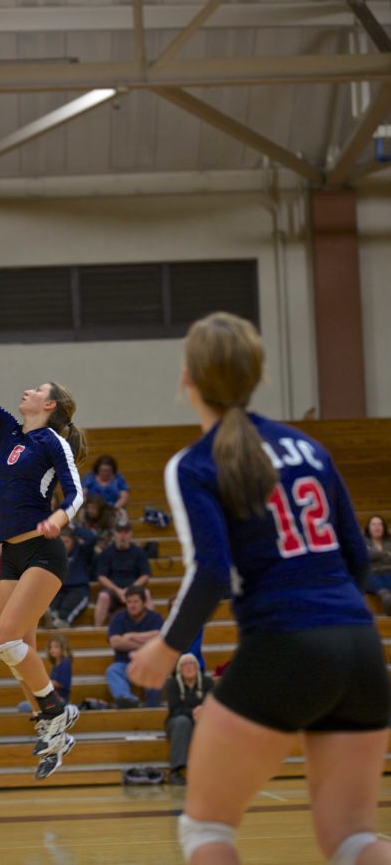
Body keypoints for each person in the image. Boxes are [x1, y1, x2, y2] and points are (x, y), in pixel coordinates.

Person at [127, 312, 391, 865]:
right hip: (360, 646)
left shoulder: (195, 464)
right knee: (353, 841)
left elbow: (212, 574)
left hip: (285, 643)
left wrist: (165, 646)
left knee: (206, 829)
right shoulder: (308, 448)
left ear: (187, 379)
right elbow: (357, 559)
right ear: (257, 376)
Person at [0, 298, 86, 781]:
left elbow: (77, 490)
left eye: (36, 389)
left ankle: (55, 711)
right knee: (16, 648)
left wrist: (61, 518)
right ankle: (52, 729)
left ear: (49, 405)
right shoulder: (8, 430)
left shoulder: (52, 441)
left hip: (43, 552)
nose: (26, 391)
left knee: (4, 638)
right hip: (10, 555)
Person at [106, 585, 163, 708]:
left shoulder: (155, 618)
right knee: (113, 670)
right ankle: (128, 700)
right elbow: (115, 643)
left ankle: (153, 708)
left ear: (144, 602)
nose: (132, 605)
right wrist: (147, 642)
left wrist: (131, 635)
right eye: (129, 602)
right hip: (125, 664)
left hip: (148, 664)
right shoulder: (118, 618)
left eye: (136, 601)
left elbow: (159, 639)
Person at [165, 653, 214, 786]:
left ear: (197, 667)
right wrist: (193, 712)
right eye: (184, 664)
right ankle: (176, 771)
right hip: (177, 722)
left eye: (191, 663)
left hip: (203, 721)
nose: (188, 666)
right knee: (183, 722)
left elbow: (213, 705)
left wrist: (203, 713)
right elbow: (174, 709)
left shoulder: (208, 682)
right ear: (179, 669)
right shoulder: (172, 683)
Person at [94, 523, 153, 627]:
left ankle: (151, 626)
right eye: (119, 532)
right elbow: (101, 576)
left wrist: (129, 589)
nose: (123, 535)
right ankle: (97, 630)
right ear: (114, 534)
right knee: (103, 597)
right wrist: (118, 591)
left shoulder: (139, 552)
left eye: (126, 532)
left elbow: (145, 575)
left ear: (131, 534)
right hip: (113, 590)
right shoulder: (107, 553)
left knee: (146, 594)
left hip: (133, 589)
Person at [49, 525, 96, 628]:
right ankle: (54, 620)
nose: (64, 545)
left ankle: (61, 622)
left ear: (73, 541)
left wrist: (74, 528)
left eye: (66, 542)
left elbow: (91, 538)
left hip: (78, 589)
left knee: (65, 609)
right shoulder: (55, 554)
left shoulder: (81, 551)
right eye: (61, 542)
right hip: (59, 589)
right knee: (52, 607)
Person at [363, 515, 391, 615]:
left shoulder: (389, 542)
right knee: (369, 577)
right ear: (369, 528)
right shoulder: (362, 542)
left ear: (383, 527)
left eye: (380, 524)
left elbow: (371, 555)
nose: (377, 527)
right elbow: (365, 557)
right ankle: (386, 597)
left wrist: (375, 556)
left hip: (389, 573)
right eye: (373, 524)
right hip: (372, 575)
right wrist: (386, 554)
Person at [77, 493, 116, 557]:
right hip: (89, 548)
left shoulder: (110, 519)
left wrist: (100, 547)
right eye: (88, 507)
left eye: (93, 508)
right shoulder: (84, 516)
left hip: (107, 549)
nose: (89, 510)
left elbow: (112, 538)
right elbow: (80, 535)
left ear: (100, 508)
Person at [47, 635, 72, 704]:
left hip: (61, 700)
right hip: (52, 698)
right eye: (50, 647)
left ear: (63, 648)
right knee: (24, 705)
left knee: (25, 706)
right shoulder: (54, 664)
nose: (52, 650)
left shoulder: (65, 662)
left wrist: (45, 682)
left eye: (56, 647)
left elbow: (63, 683)